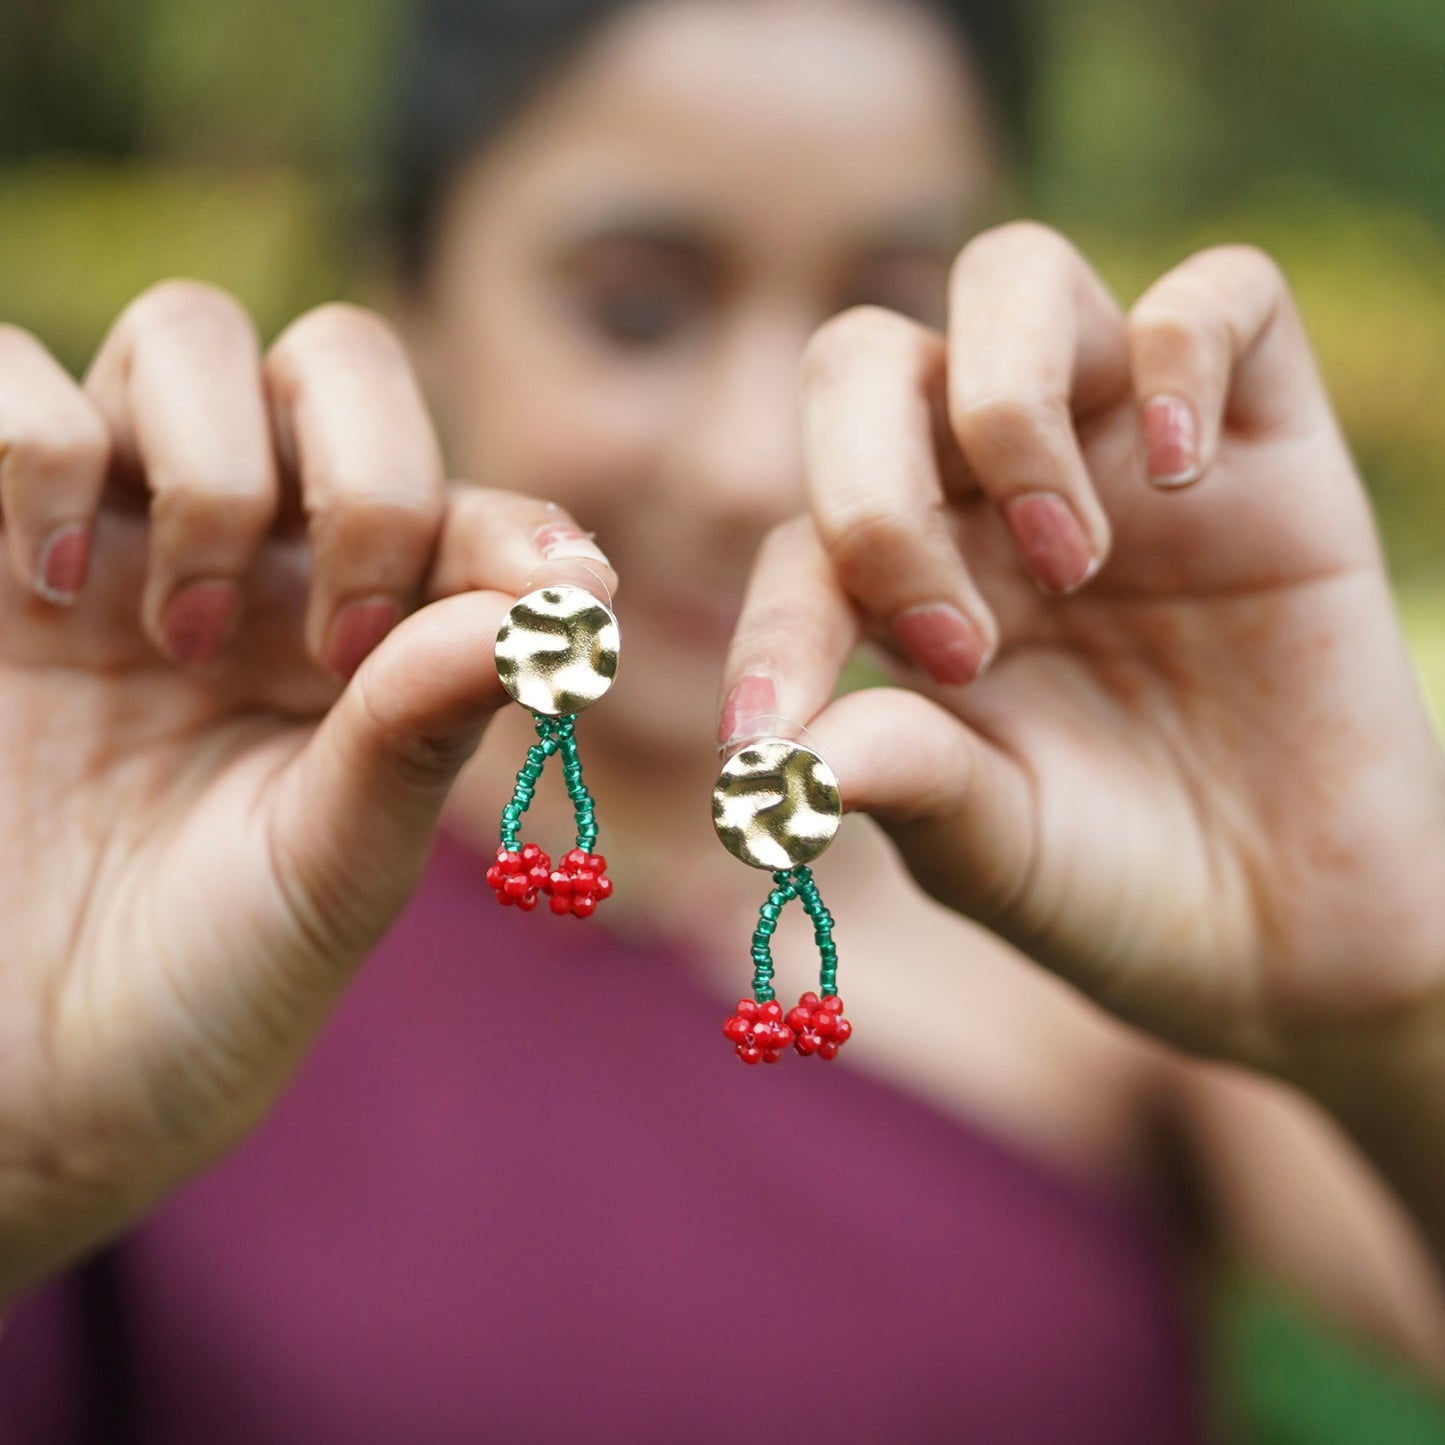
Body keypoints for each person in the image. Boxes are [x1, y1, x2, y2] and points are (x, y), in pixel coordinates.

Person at [2, 0, 1445, 1439]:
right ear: (409, 300)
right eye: (636, 307)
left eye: (876, 309)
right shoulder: (164, 894)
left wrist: (1400, 1005)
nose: (758, 460)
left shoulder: (1129, 924)